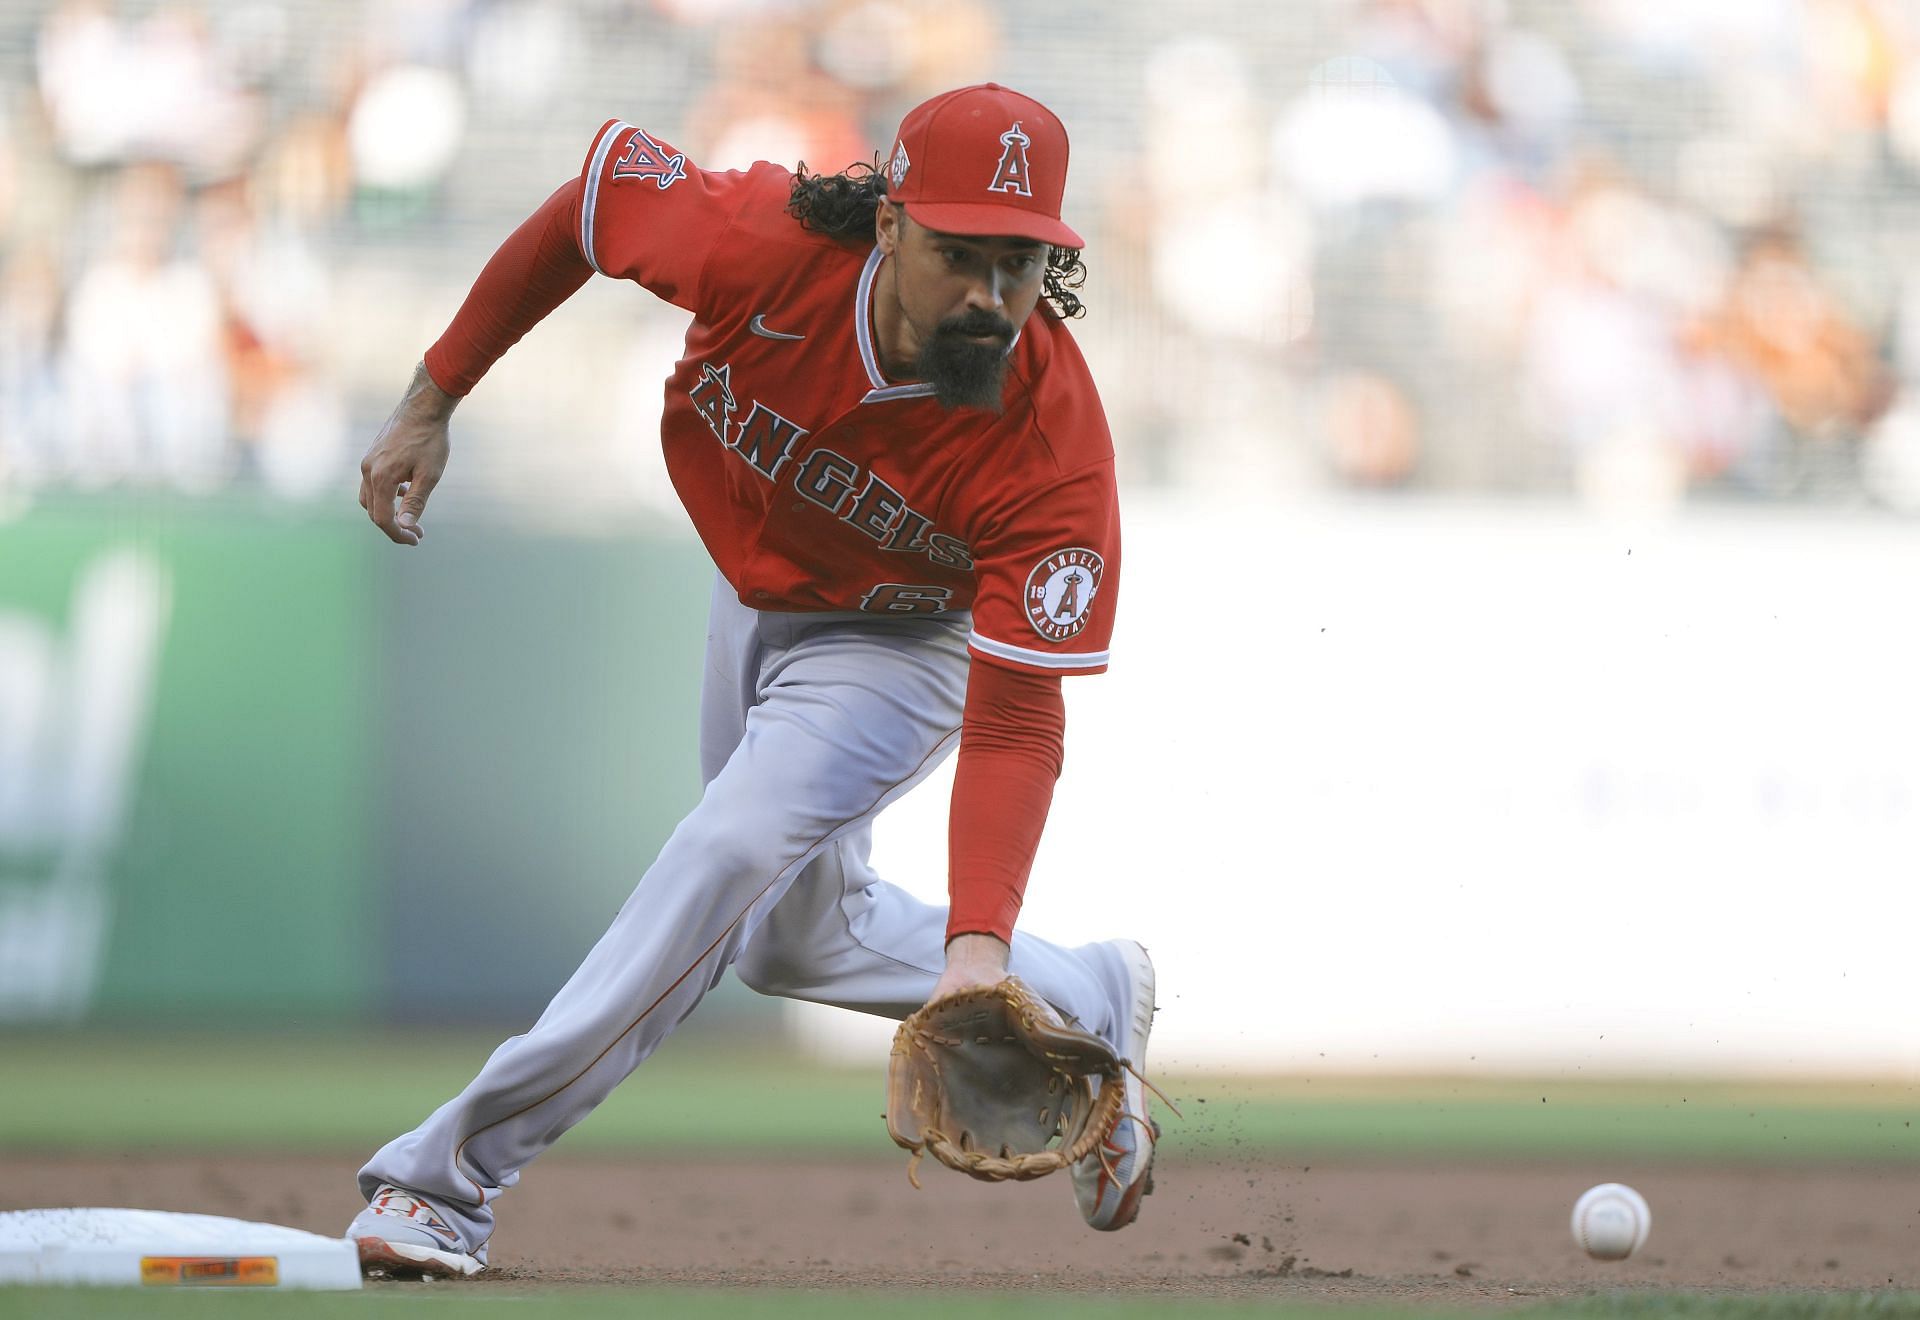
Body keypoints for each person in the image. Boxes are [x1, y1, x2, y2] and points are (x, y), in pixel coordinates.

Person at [345, 83, 1156, 1279]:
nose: (991, 296)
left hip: (901, 643)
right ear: (887, 228)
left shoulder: (1052, 446)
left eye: (1021, 263)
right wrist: (434, 394)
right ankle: (1088, 993)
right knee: (787, 944)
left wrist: (978, 937)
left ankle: (446, 1178)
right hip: (757, 595)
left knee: (725, 850)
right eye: (958, 255)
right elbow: (587, 210)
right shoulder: (758, 241)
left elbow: (1019, 716)